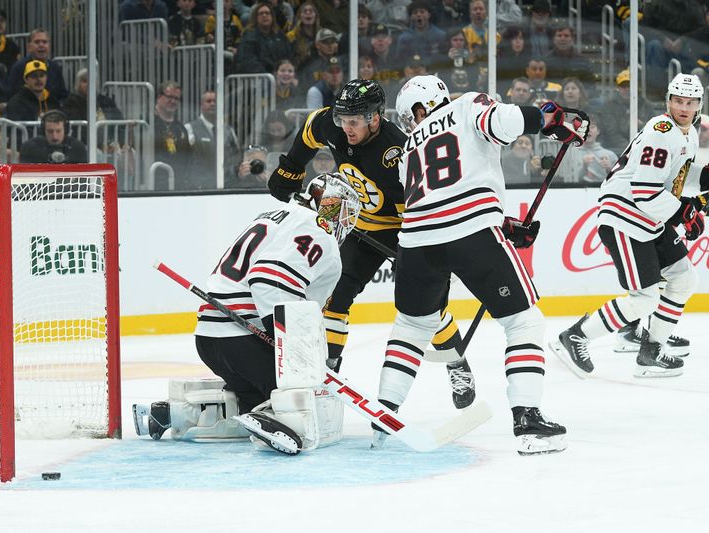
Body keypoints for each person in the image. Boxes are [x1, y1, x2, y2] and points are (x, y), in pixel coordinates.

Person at [375, 74, 589, 454]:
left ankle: (384, 413)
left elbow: (439, 196)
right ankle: (528, 420)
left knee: (411, 326)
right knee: (523, 320)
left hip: (415, 241)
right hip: (472, 231)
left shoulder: (408, 147)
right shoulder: (465, 104)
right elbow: (507, 122)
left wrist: (504, 225)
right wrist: (551, 120)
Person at [267, 78, 474, 411]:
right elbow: (309, 131)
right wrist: (290, 169)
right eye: (342, 120)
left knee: (429, 309)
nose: (345, 128)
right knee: (334, 299)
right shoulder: (332, 125)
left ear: (375, 118)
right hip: (361, 223)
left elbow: (418, 210)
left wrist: (415, 253)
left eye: (353, 121)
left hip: (405, 227)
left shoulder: (400, 152)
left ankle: (456, 362)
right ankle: (327, 373)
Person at [137, 173, 360, 452]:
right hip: (244, 340)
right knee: (306, 400)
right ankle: (273, 415)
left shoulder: (274, 215)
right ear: (327, 205)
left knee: (251, 398)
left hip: (210, 338)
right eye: (343, 211)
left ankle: (181, 415)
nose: (342, 221)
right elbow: (270, 280)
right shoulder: (319, 233)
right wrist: (289, 346)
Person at [550, 73, 707, 378]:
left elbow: (673, 176)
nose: (683, 107)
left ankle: (651, 350)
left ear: (699, 104)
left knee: (684, 278)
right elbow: (645, 191)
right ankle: (575, 336)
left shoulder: (686, 132)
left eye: (690, 102)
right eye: (678, 101)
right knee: (645, 297)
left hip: (647, 218)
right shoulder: (661, 131)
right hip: (625, 217)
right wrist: (685, 212)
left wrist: (704, 179)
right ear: (668, 101)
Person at [184, 89, 241, 189]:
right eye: (208, 101)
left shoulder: (228, 130)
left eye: (215, 101)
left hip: (226, 185)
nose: (212, 104)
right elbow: (185, 160)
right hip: (199, 187)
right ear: (201, 105)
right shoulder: (189, 129)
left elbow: (236, 156)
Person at [6, 29, 68, 102]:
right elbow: (12, 96)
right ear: (29, 47)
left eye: (44, 42)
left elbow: (62, 95)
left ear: (49, 46)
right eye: (37, 42)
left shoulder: (55, 67)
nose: (41, 45)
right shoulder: (19, 68)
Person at [153, 80, 189, 189]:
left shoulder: (181, 129)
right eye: (169, 97)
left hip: (178, 188)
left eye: (177, 98)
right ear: (159, 97)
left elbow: (187, 160)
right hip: (152, 188)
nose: (173, 101)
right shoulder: (147, 123)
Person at [18, 109, 88, 164]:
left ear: (66, 130)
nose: (55, 137)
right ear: (43, 131)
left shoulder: (77, 148)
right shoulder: (29, 148)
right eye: (50, 131)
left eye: (58, 131)